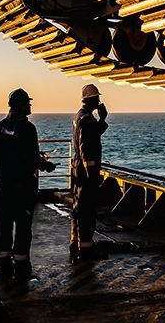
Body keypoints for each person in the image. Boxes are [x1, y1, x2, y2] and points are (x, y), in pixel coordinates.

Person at [0, 88, 56, 275]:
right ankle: (21, 263)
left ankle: (3, 262)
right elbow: (31, 157)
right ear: (20, 106)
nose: (30, 105)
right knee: (22, 226)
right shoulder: (28, 129)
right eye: (27, 103)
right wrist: (46, 166)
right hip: (23, 188)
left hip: (4, 186)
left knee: (3, 224)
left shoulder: (0, 127)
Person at [70, 83, 108, 260]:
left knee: (79, 207)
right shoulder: (86, 119)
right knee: (87, 209)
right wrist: (92, 174)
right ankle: (85, 248)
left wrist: (101, 121)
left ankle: (76, 243)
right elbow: (87, 147)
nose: (99, 101)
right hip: (86, 172)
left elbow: (91, 136)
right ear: (91, 100)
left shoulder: (80, 116)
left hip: (79, 169)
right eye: (97, 98)